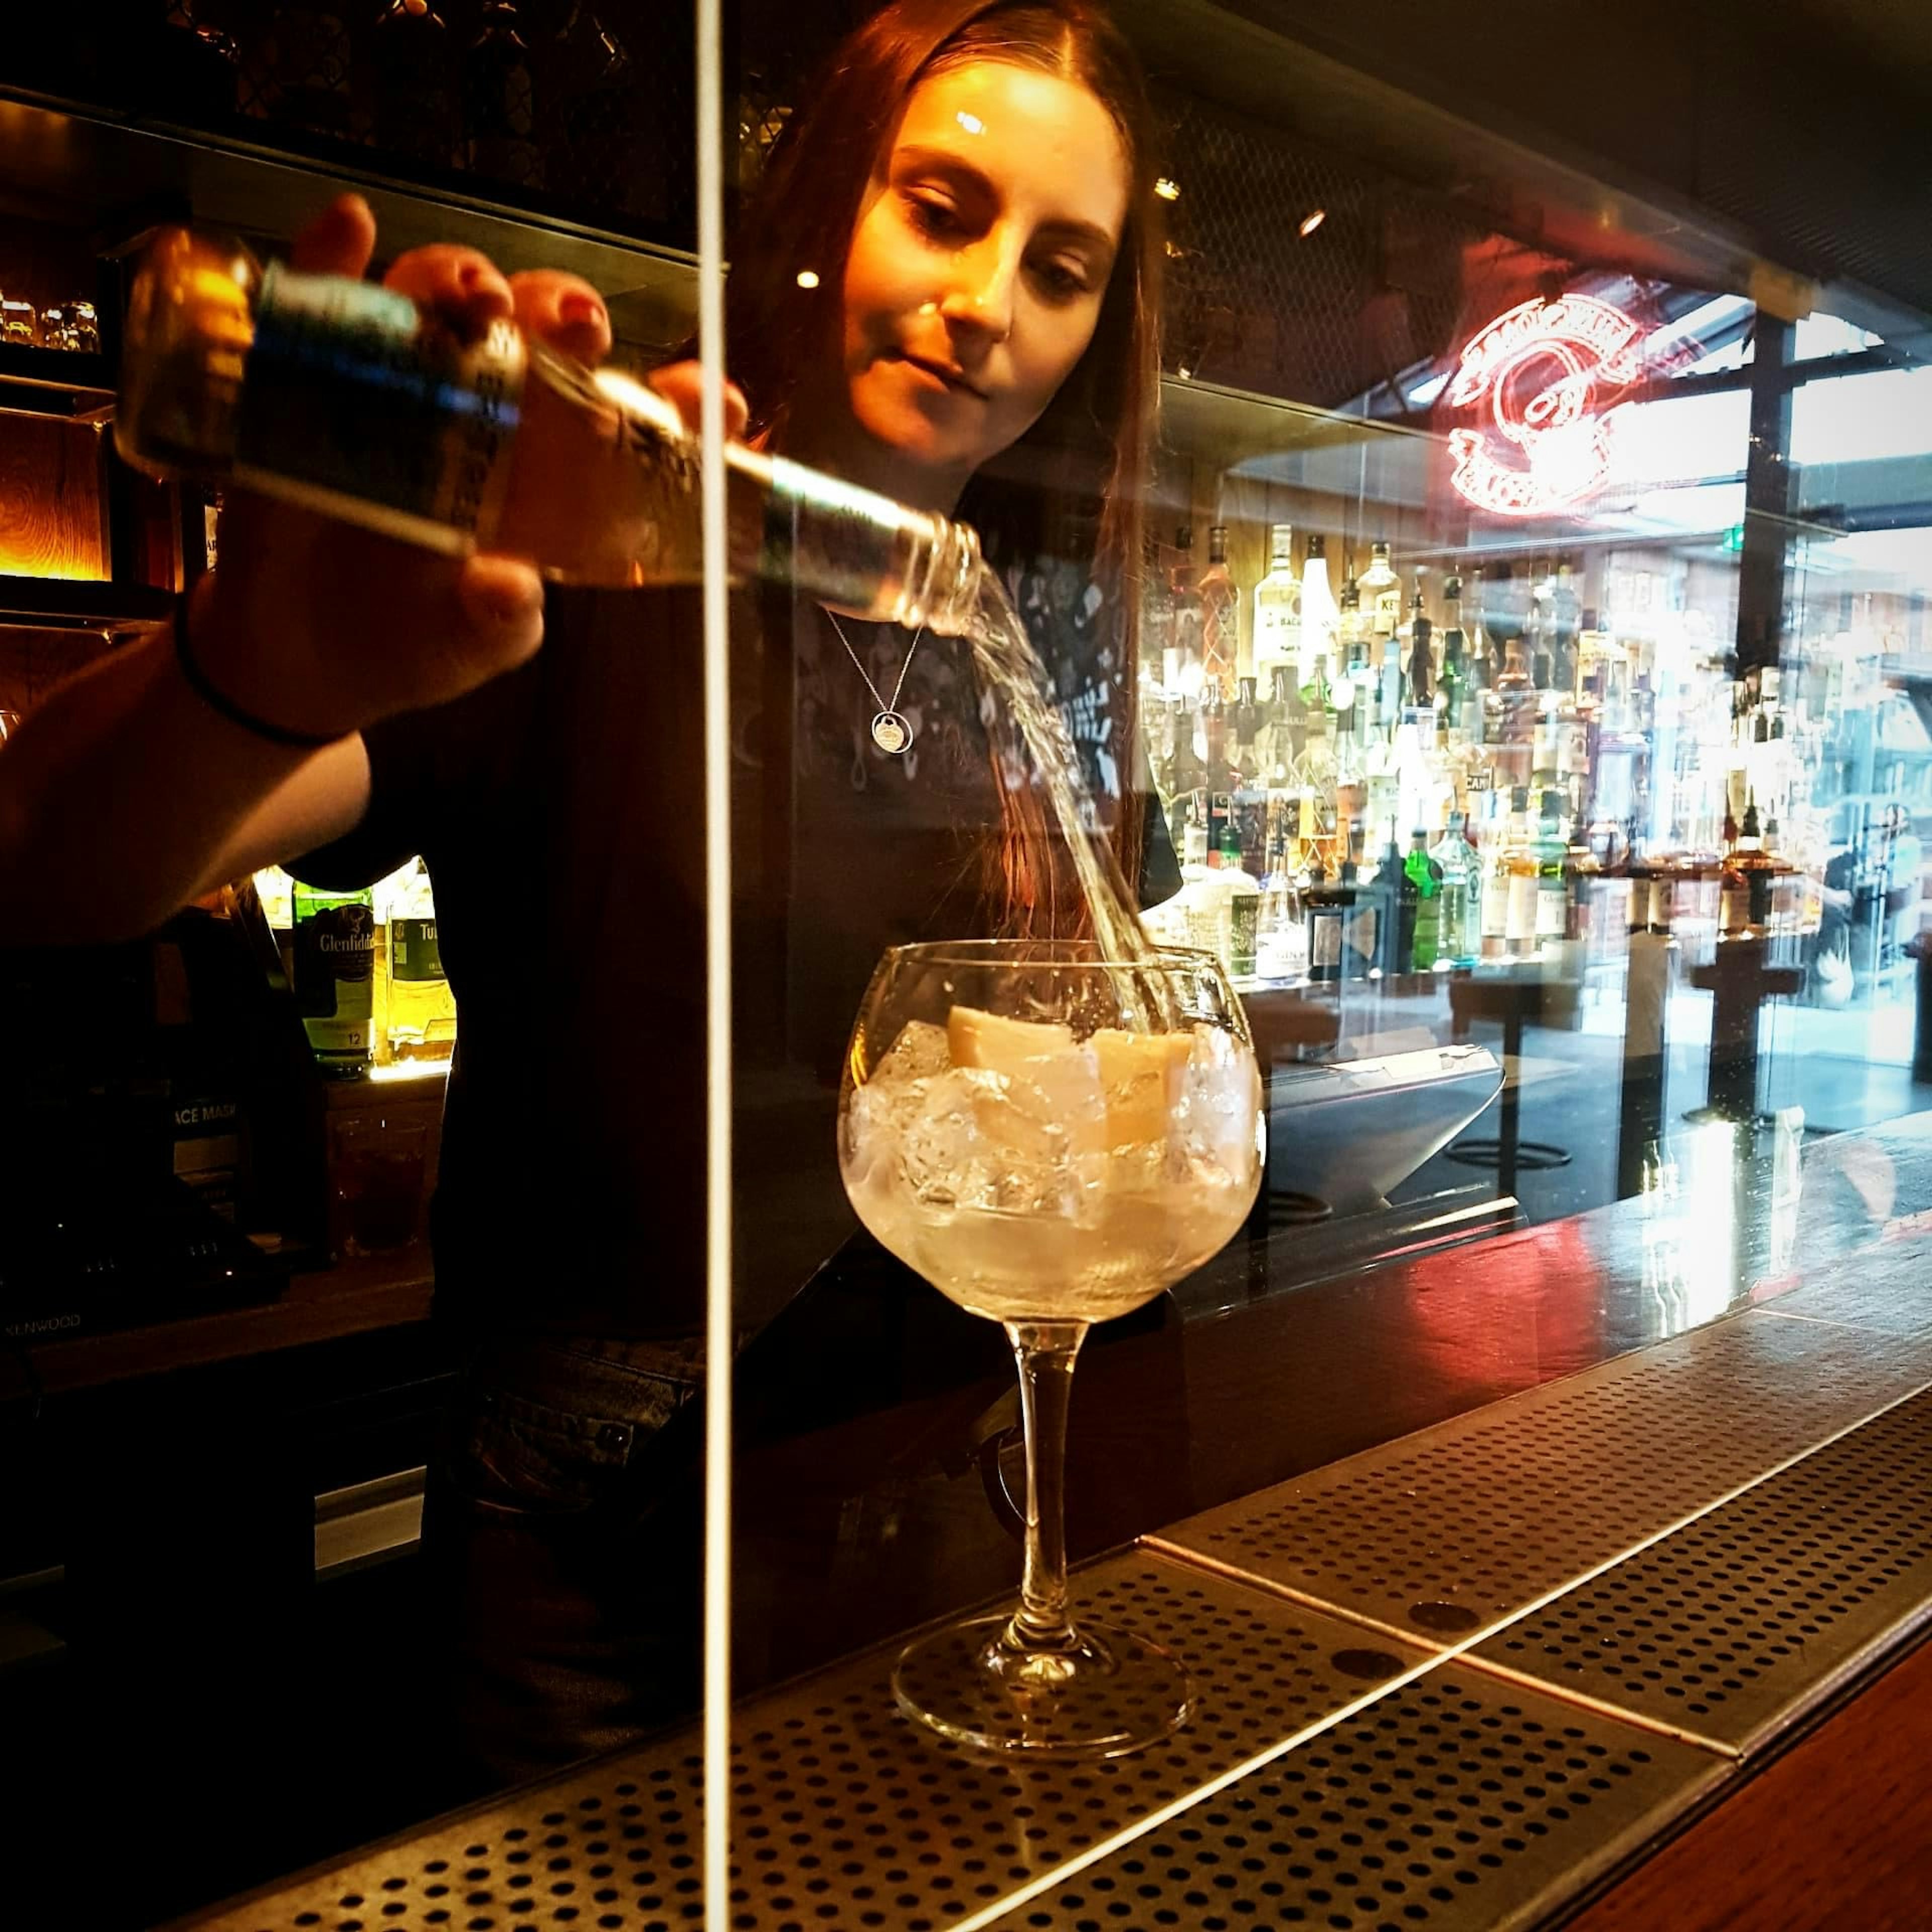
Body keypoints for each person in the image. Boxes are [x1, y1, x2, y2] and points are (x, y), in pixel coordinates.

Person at [0, 0, 1169, 1785]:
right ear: (823, 204)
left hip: (939, 1503)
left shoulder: (1029, 647)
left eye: (1063, 267)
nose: (992, 303)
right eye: (941, 209)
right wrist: (254, 671)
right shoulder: (587, 545)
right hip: (600, 1526)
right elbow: (45, 870)